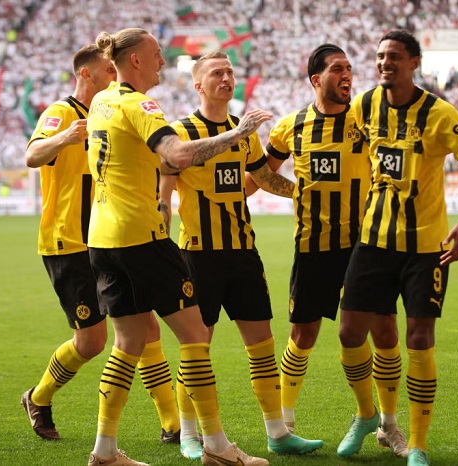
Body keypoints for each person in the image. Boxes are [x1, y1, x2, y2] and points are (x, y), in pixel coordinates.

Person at [85, 28, 273, 466]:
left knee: (127, 342)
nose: (163, 62)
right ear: (135, 61)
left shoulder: (101, 101)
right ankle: (216, 446)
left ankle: (105, 450)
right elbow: (177, 155)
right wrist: (237, 133)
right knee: (195, 337)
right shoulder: (140, 105)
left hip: (102, 238)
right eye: (156, 54)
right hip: (141, 238)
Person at [335, 30, 458, 466]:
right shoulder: (364, 105)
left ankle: (417, 443)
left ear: (414, 62)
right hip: (374, 240)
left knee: (419, 337)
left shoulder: (440, 113)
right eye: (380, 55)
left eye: (395, 56)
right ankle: (369, 416)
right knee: (349, 333)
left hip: (426, 247)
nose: (385, 62)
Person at [160, 51, 324, 460]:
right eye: (217, 72)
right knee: (197, 347)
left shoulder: (244, 130)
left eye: (230, 71)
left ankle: (277, 433)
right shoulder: (180, 133)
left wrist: (301, 192)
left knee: (262, 345)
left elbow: (262, 176)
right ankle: (189, 433)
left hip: (243, 252)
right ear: (198, 85)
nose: (226, 78)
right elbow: (165, 190)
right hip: (199, 255)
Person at [21, 44, 181, 444]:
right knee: (91, 341)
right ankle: (38, 397)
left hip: (111, 238)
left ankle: (173, 424)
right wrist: (64, 138)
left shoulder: (111, 110)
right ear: (86, 74)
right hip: (69, 241)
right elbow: (32, 155)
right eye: (109, 70)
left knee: (146, 325)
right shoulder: (63, 112)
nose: (116, 76)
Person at [248, 43, 402, 453]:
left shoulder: (365, 118)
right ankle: (284, 426)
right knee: (303, 334)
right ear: (316, 79)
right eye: (337, 68)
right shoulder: (291, 126)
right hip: (313, 245)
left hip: (366, 247)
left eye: (349, 67)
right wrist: (294, 190)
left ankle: (387, 424)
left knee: (383, 330)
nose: (347, 74)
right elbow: (260, 176)